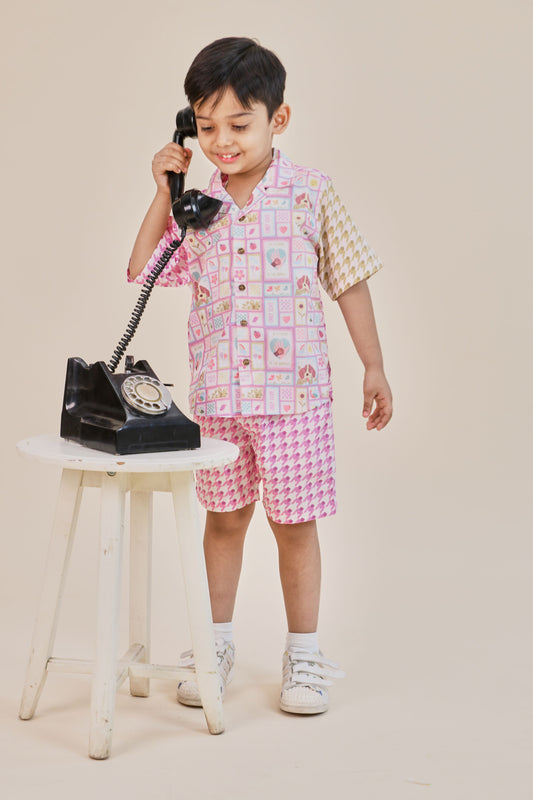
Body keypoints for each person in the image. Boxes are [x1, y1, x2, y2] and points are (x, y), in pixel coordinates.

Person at [128, 37, 393, 715]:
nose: (221, 141)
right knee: (223, 522)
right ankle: (212, 645)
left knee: (295, 526)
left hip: (293, 399)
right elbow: (141, 269)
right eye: (205, 126)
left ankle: (303, 655)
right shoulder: (196, 207)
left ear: (278, 119)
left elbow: (348, 279)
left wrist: (373, 365)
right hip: (220, 400)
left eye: (239, 125)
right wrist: (164, 191)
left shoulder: (311, 193)